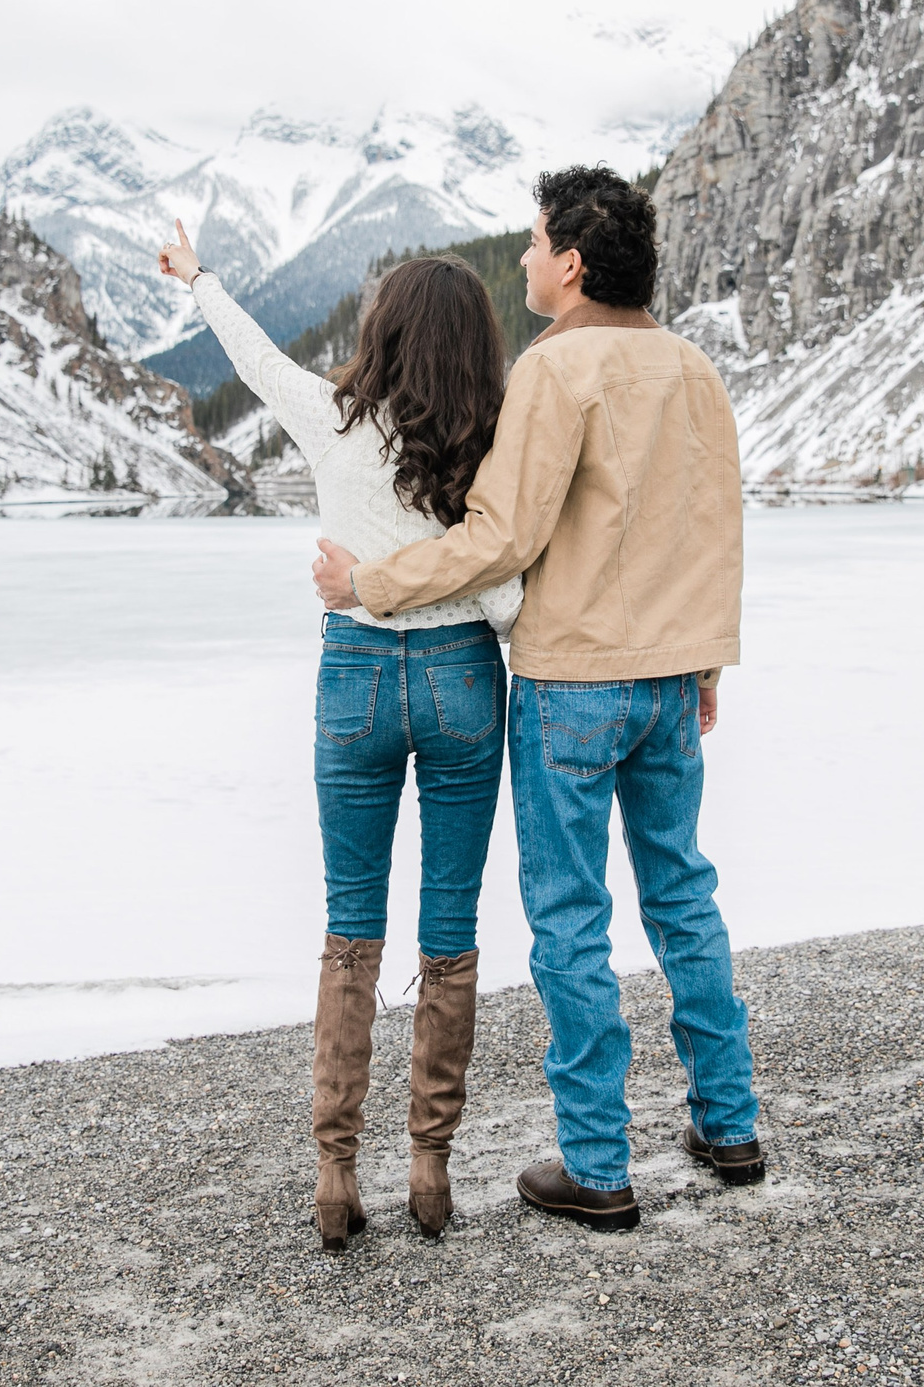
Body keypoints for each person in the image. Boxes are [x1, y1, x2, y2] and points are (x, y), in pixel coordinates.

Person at [311, 166, 762, 1233]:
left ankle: (599, 1168)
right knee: (683, 894)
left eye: (529, 243)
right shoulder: (695, 368)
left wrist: (369, 585)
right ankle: (728, 1123)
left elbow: (500, 540)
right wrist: (706, 662)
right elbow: (714, 526)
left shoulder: (555, 371)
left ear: (569, 261)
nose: (519, 260)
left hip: (570, 684)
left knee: (570, 918)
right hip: (668, 679)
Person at [155, 222, 521, 1253]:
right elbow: (506, 576)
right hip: (460, 679)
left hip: (354, 675)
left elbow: (254, 360)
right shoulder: (491, 436)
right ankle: (431, 1169)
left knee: (349, 928)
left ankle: (332, 1172)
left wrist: (201, 280)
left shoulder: (331, 417)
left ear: (386, 331)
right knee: (448, 934)